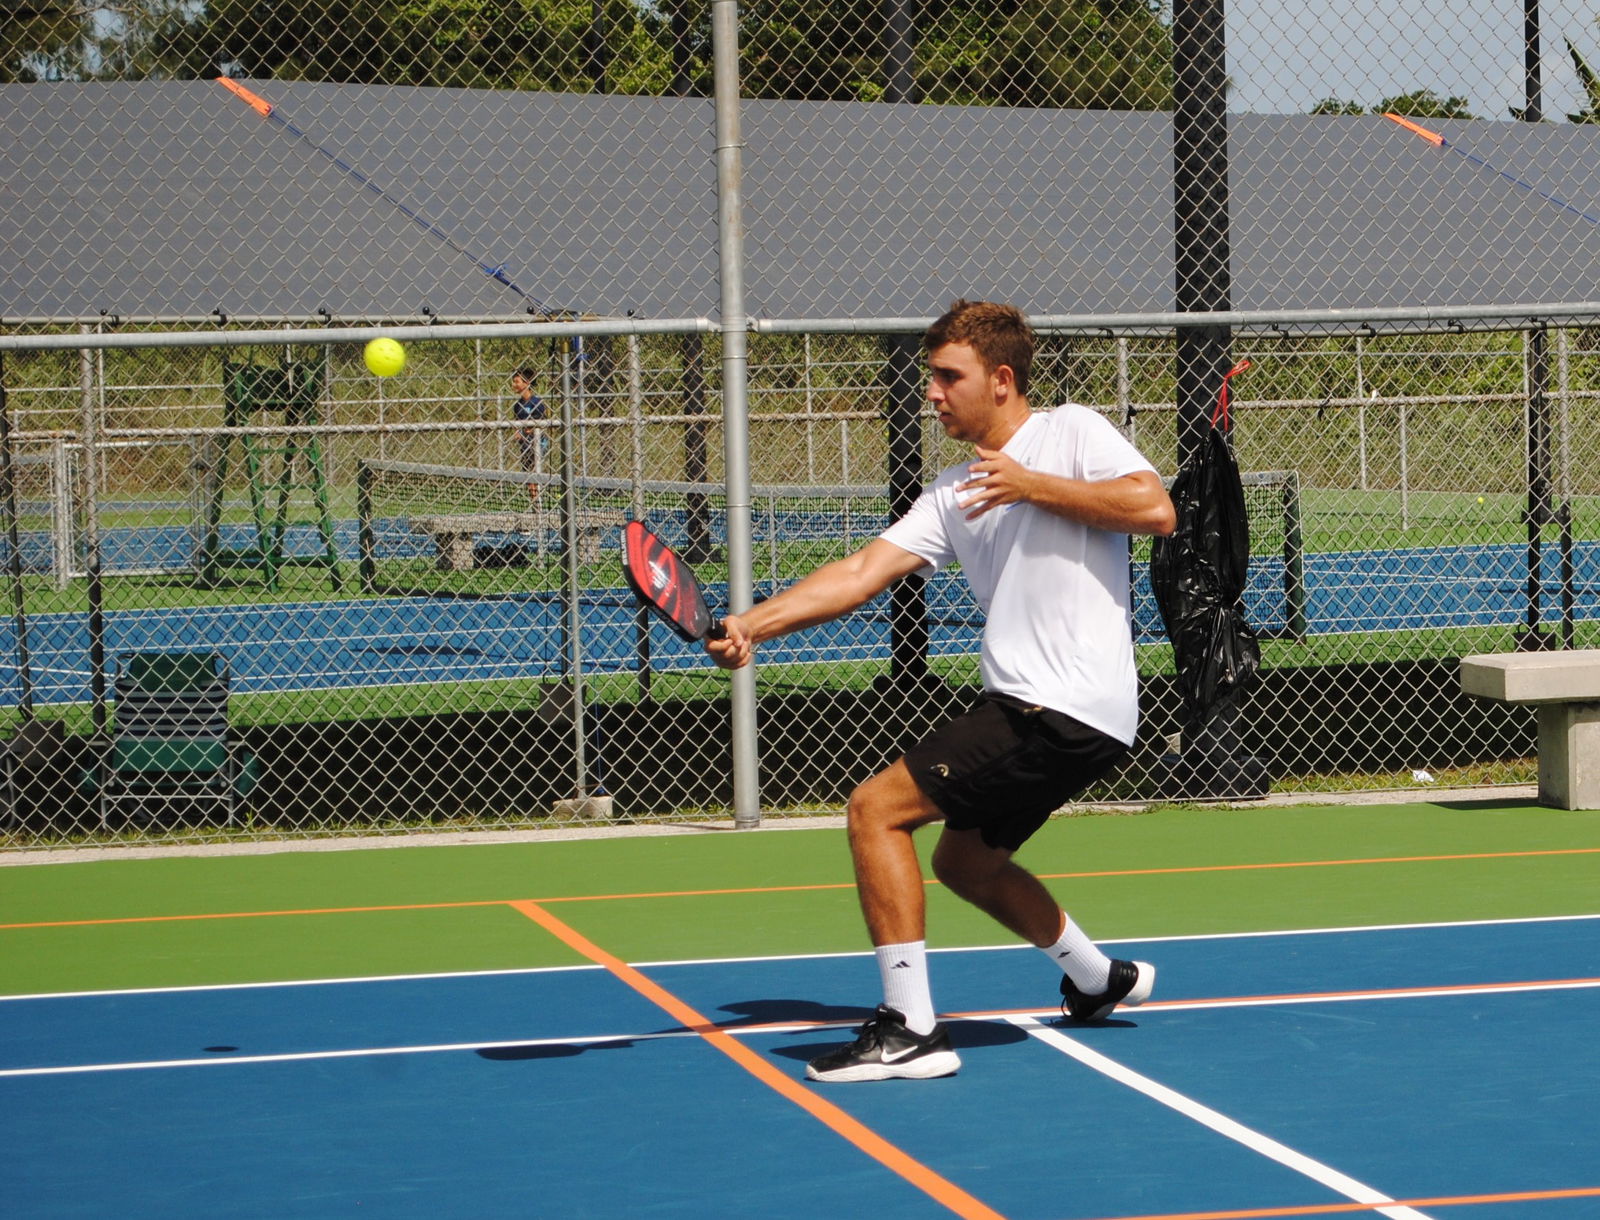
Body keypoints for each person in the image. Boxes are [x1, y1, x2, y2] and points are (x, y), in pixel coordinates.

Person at [706, 300, 1177, 1082]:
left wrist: (1030, 483)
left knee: (874, 810)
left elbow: (1154, 509)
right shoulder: (953, 490)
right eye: (930, 376)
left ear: (1000, 380)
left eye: (947, 376)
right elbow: (861, 573)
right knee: (965, 864)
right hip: (1059, 712)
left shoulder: (1072, 432)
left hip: (1056, 705)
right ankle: (1099, 980)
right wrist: (753, 623)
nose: (932, 392)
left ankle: (910, 1029)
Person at [510, 365, 548, 504]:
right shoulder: (517, 405)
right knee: (528, 473)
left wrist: (530, 430)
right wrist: (518, 433)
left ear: (527, 383)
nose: (514, 385)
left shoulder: (537, 403)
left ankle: (539, 501)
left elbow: (541, 422)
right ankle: (534, 502)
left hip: (538, 442)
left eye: (517, 381)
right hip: (525, 444)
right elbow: (517, 423)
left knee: (534, 470)